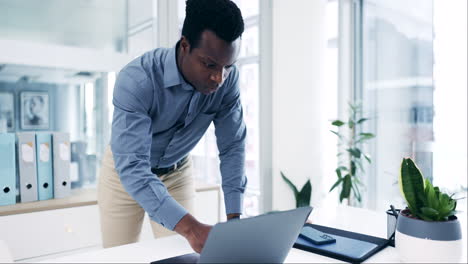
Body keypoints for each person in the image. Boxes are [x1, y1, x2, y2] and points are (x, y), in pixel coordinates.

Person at [97, 0, 247, 253]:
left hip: (177, 172)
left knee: (184, 255)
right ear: (185, 45)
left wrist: (235, 218)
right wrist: (191, 227)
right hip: (125, 172)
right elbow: (133, 167)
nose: (219, 79)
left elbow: (232, 146)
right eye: (210, 65)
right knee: (118, 255)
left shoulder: (227, 80)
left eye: (227, 67)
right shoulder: (137, 80)